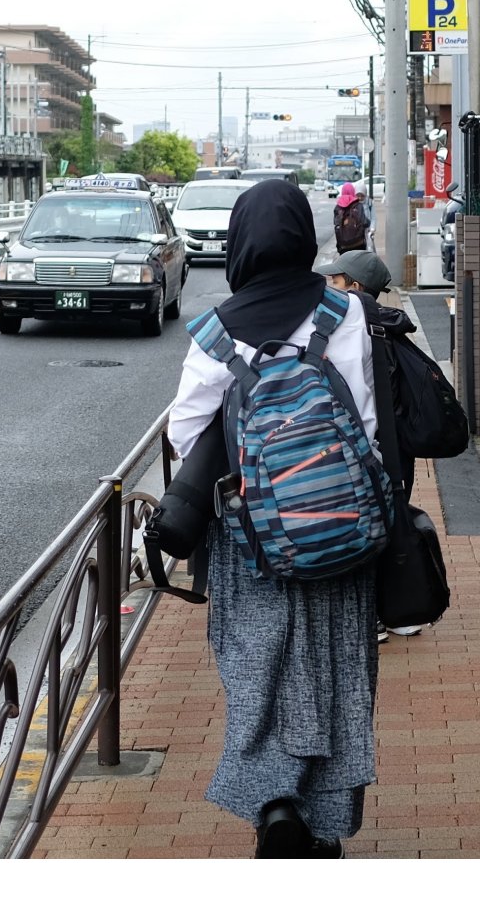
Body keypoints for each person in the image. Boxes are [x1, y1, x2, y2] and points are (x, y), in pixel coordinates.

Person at [168, 179, 380, 860]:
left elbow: (186, 436)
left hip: (249, 541)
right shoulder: (340, 314)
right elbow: (365, 426)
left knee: (259, 666)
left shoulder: (213, 331)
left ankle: (275, 802)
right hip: (341, 533)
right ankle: (322, 821)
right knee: (337, 667)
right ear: (302, 236)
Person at [315, 249, 426, 642]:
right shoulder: (393, 327)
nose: (328, 285)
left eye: (336, 280)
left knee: (366, 526)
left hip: (370, 447)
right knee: (393, 520)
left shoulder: (352, 330)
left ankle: (373, 618)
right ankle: (401, 610)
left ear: (355, 287)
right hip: (400, 449)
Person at [333, 181, 369, 254]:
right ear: (353, 192)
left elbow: (336, 223)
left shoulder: (337, 207)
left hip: (343, 245)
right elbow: (364, 222)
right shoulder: (358, 205)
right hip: (358, 244)